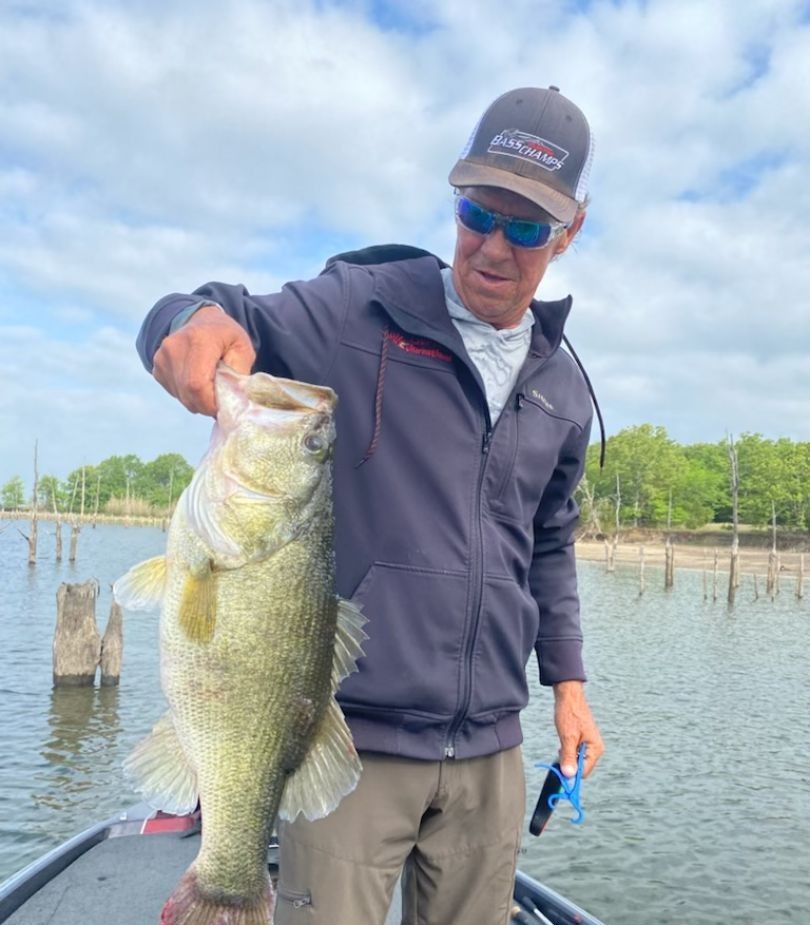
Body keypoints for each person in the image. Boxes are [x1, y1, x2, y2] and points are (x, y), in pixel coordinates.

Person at [137, 85, 605, 925]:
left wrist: (568, 684)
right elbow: (206, 311)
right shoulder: (359, 308)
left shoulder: (563, 385)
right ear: (455, 202)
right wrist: (186, 320)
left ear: (569, 231)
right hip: (352, 740)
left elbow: (549, 544)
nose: (494, 246)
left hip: (492, 751)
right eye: (476, 213)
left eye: (527, 227)